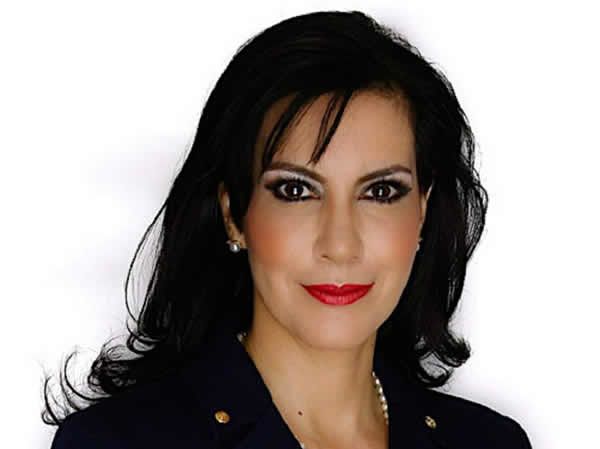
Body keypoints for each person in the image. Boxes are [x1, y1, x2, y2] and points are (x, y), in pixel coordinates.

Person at [43, 10, 533, 449]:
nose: (340, 244)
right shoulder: (115, 443)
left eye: (381, 192)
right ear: (234, 214)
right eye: (297, 191)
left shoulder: (492, 443)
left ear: (422, 212)